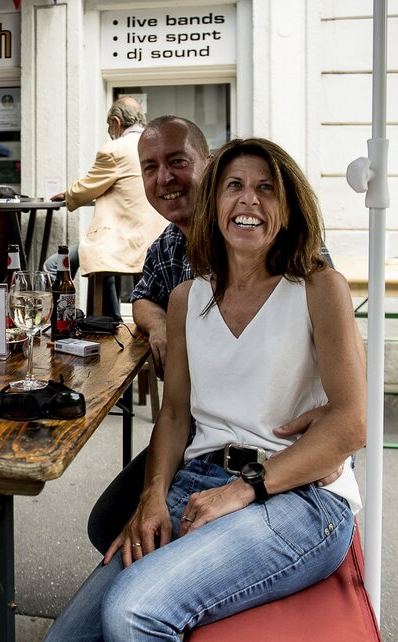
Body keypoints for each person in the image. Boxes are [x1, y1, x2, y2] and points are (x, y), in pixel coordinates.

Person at [36, 137, 366, 642]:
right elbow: (174, 417)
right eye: (234, 186)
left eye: (266, 189)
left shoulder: (317, 286)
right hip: (199, 481)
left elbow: (350, 424)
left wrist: (244, 489)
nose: (249, 201)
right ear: (214, 203)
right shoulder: (188, 299)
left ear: (289, 207)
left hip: (298, 496)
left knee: (134, 614)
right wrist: (152, 496)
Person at [87, 117, 336, 553]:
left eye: (178, 161)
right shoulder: (168, 246)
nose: (164, 178)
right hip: (203, 436)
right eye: (150, 167)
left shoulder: (281, 247)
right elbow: (143, 298)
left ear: (209, 165)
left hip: (264, 443)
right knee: (109, 523)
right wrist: (164, 324)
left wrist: (331, 434)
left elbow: (324, 338)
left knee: (138, 549)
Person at [45, 97, 165, 320]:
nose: (110, 131)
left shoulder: (114, 150)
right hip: (154, 238)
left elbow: (88, 187)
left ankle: (62, 322)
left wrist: (69, 194)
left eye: (109, 126)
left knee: (54, 265)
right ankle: (111, 320)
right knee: (102, 264)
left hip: (124, 240)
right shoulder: (155, 145)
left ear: (117, 122)